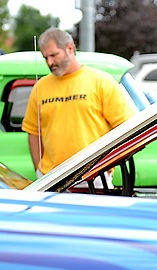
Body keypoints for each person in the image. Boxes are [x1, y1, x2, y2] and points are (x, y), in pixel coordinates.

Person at [21, 27, 135, 187]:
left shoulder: (101, 81)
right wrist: (39, 169)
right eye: (45, 57)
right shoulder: (41, 87)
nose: (49, 62)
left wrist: (108, 165)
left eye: (53, 55)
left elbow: (126, 127)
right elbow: (33, 131)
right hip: (52, 179)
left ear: (70, 48)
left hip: (95, 177)